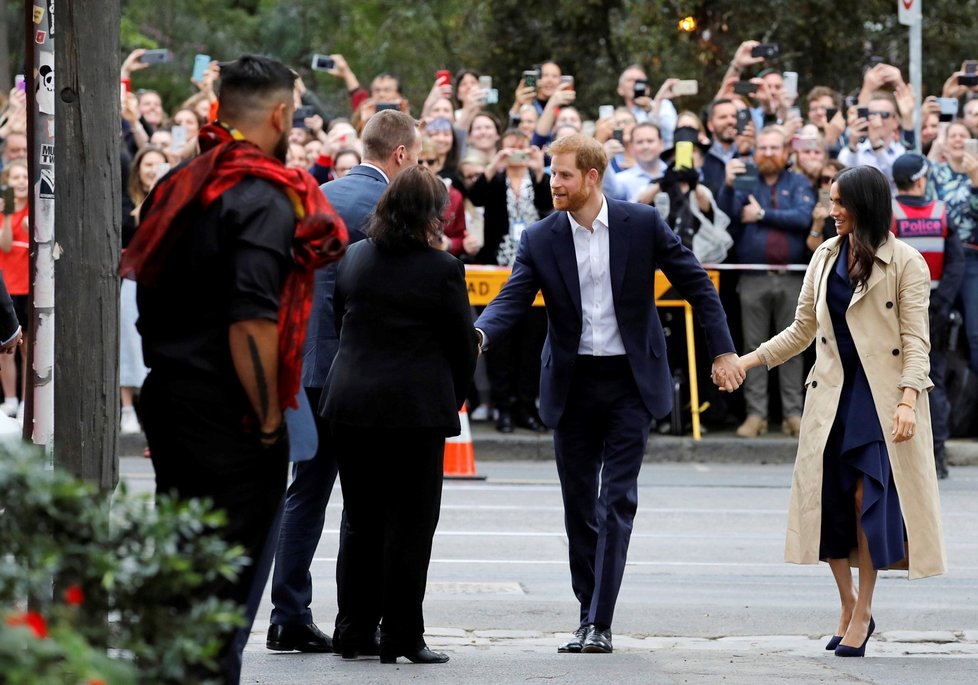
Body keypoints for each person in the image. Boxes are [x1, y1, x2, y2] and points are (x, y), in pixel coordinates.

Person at [120, 55, 348, 683]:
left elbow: (147, 288)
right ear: (279, 114)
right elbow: (252, 319)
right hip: (230, 414)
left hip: (170, 396)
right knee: (226, 593)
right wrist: (271, 418)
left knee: (185, 572)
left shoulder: (177, 182)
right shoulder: (263, 196)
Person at [474, 134, 741, 654]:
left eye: (564, 175)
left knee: (615, 500)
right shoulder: (540, 236)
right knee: (579, 507)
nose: (554, 183)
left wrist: (723, 351)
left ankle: (600, 621)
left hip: (629, 384)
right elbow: (511, 299)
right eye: (552, 174)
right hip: (571, 385)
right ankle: (586, 611)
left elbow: (698, 286)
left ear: (592, 177)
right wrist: (479, 336)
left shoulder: (640, 225)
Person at [723, 165, 946, 657]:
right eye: (829, 201)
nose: (831, 211)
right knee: (830, 502)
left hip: (881, 396)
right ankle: (846, 601)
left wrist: (908, 400)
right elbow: (802, 330)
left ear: (865, 205)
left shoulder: (906, 261)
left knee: (867, 499)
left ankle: (863, 612)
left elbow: (916, 342)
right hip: (831, 392)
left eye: (840, 203)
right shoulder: (824, 255)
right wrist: (748, 360)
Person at [266, 108, 420, 658]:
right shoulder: (386, 207)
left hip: (303, 361)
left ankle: (288, 614)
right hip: (354, 369)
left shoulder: (317, 194)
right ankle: (359, 619)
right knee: (364, 500)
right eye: (417, 158)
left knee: (305, 491)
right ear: (400, 154)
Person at [321, 166, 478, 664]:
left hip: (350, 403)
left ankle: (353, 631)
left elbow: (339, 316)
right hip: (415, 411)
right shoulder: (443, 269)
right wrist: (450, 396)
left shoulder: (354, 257)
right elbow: (462, 346)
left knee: (360, 520)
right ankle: (402, 635)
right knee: (410, 524)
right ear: (432, 216)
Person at [718, 126, 816, 438]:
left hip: (792, 276)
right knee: (751, 348)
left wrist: (761, 214)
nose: (769, 153)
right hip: (753, 275)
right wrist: (728, 186)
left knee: (796, 346)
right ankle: (756, 414)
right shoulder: (746, 178)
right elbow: (727, 218)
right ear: (755, 150)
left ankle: (793, 413)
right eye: (763, 148)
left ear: (786, 151)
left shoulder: (798, 181)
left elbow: (803, 218)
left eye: (775, 148)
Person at [467, 128, 552, 433]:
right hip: (498, 268)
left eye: (521, 147)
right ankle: (503, 407)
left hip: (534, 269)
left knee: (531, 344)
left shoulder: (539, 180)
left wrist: (540, 169)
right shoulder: (497, 179)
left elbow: (551, 204)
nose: (516, 152)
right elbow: (474, 196)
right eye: (510, 147)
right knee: (500, 344)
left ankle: (526, 406)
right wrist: (494, 166)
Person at [890, 153, 964, 479]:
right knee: (931, 383)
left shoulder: (888, 215)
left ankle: (898, 455)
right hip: (934, 309)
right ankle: (936, 458)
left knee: (896, 382)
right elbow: (956, 265)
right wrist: (940, 305)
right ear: (922, 180)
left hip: (896, 309)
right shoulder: (942, 213)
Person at [930, 121, 978, 375]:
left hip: (972, 258)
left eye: (965, 136)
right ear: (945, 143)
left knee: (975, 332)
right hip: (941, 257)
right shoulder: (934, 173)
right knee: (935, 327)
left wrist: (976, 181)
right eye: (954, 136)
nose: (959, 140)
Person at [0, 159, 30, 417]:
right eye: (16, 177)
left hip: (28, 288)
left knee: (27, 347)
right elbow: (5, 246)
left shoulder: (36, 209)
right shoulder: (3, 212)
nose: (21, 181)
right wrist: (7, 218)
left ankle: (26, 401)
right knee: (5, 348)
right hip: (8, 289)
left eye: (25, 176)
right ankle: (10, 399)